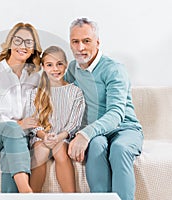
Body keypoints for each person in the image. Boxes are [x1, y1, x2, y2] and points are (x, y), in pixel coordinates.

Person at [65, 18, 144, 200]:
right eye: (75, 41)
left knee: (120, 149)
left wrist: (84, 134)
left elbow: (116, 114)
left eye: (86, 41)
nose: (80, 47)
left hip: (125, 128)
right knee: (96, 146)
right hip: (98, 133)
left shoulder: (114, 69)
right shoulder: (73, 68)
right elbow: (61, 93)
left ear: (97, 42)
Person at [0, 22, 42, 193]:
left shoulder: (35, 77)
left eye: (29, 42)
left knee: (9, 153)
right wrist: (17, 124)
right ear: (10, 43)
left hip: (17, 139)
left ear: (34, 48)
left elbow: (37, 114)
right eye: (18, 40)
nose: (23, 46)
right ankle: (27, 192)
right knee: (12, 129)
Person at [25, 46, 85, 192]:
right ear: (43, 67)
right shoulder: (35, 93)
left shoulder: (75, 92)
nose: (55, 69)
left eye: (59, 64)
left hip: (63, 137)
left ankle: (70, 196)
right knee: (40, 154)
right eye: (49, 65)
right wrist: (44, 136)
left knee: (61, 153)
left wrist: (59, 137)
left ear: (66, 65)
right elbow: (33, 122)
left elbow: (74, 123)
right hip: (41, 137)